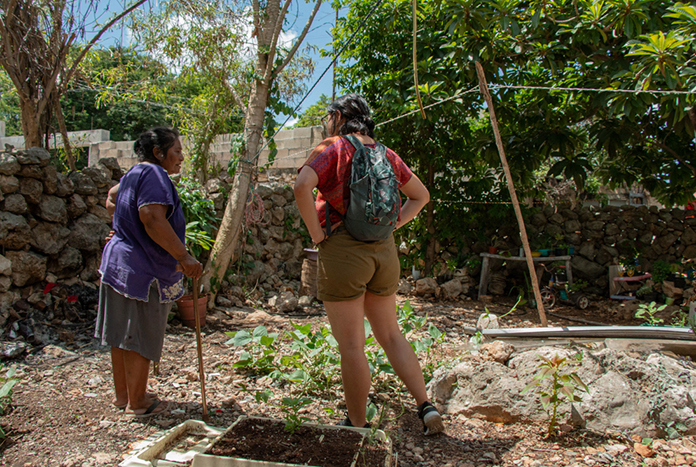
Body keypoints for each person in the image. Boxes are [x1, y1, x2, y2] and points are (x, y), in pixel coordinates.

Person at [294, 94, 445, 435]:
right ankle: (426, 406)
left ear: (336, 117)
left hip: (344, 252)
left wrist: (317, 235)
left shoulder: (332, 147)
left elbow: (302, 185)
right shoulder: (385, 153)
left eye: (327, 117)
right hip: (384, 253)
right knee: (391, 334)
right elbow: (420, 196)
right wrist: (392, 226)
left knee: (351, 346)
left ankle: (357, 426)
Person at [95, 127, 203, 418]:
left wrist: (122, 228)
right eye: (177, 151)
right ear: (159, 153)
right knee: (139, 335)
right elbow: (151, 217)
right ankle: (139, 401)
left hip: (119, 264)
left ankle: (124, 396)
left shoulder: (133, 173)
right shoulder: (156, 175)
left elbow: (112, 198)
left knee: (121, 335)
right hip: (141, 271)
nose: (181, 157)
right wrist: (184, 257)